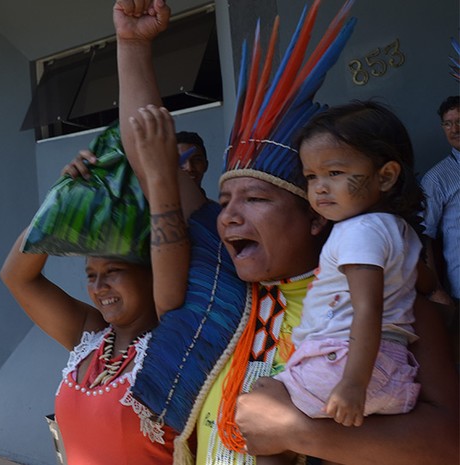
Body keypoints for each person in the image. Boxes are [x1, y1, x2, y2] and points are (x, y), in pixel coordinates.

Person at [113, 1, 459, 464]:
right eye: (225, 202)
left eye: (255, 200)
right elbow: (149, 156)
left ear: (317, 216)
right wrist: (132, 45)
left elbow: (448, 440)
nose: (228, 217)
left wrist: (297, 433)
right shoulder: (224, 285)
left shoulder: (392, 305)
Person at [0, 129, 183, 464]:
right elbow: (15, 276)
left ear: (151, 270)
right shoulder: (91, 335)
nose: (99, 287)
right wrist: (63, 198)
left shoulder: (174, 343)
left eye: (113, 272)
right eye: (90, 275)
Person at [258, 101, 424, 465]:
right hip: (393, 369)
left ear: (385, 176)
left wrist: (353, 383)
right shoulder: (397, 229)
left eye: (334, 172)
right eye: (312, 177)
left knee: (263, 403)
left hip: (348, 364)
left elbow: (368, 309)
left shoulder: (358, 231)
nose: (319, 188)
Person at [420, 96, 459, 313]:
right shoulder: (436, 179)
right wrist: (435, 289)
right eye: (448, 123)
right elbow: (424, 235)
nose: (455, 129)